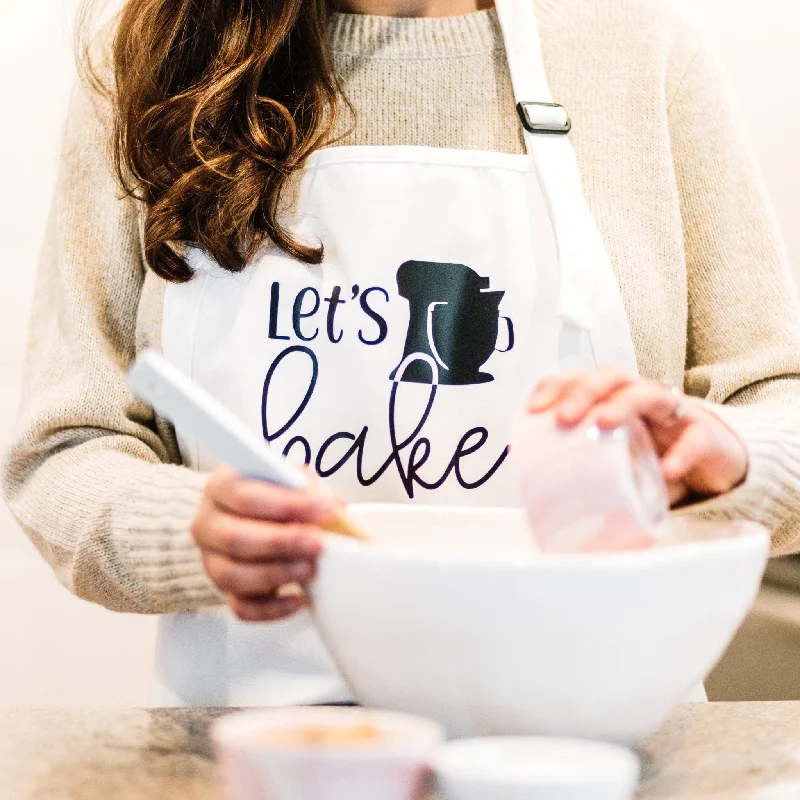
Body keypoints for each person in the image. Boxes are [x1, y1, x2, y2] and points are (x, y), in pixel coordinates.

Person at [4, 0, 800, 706]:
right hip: (263, 757)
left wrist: (729, 456)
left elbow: (780, 406)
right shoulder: (161, 61)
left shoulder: (641, 47)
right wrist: (187, 532)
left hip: (593, 748)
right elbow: (62, 454)